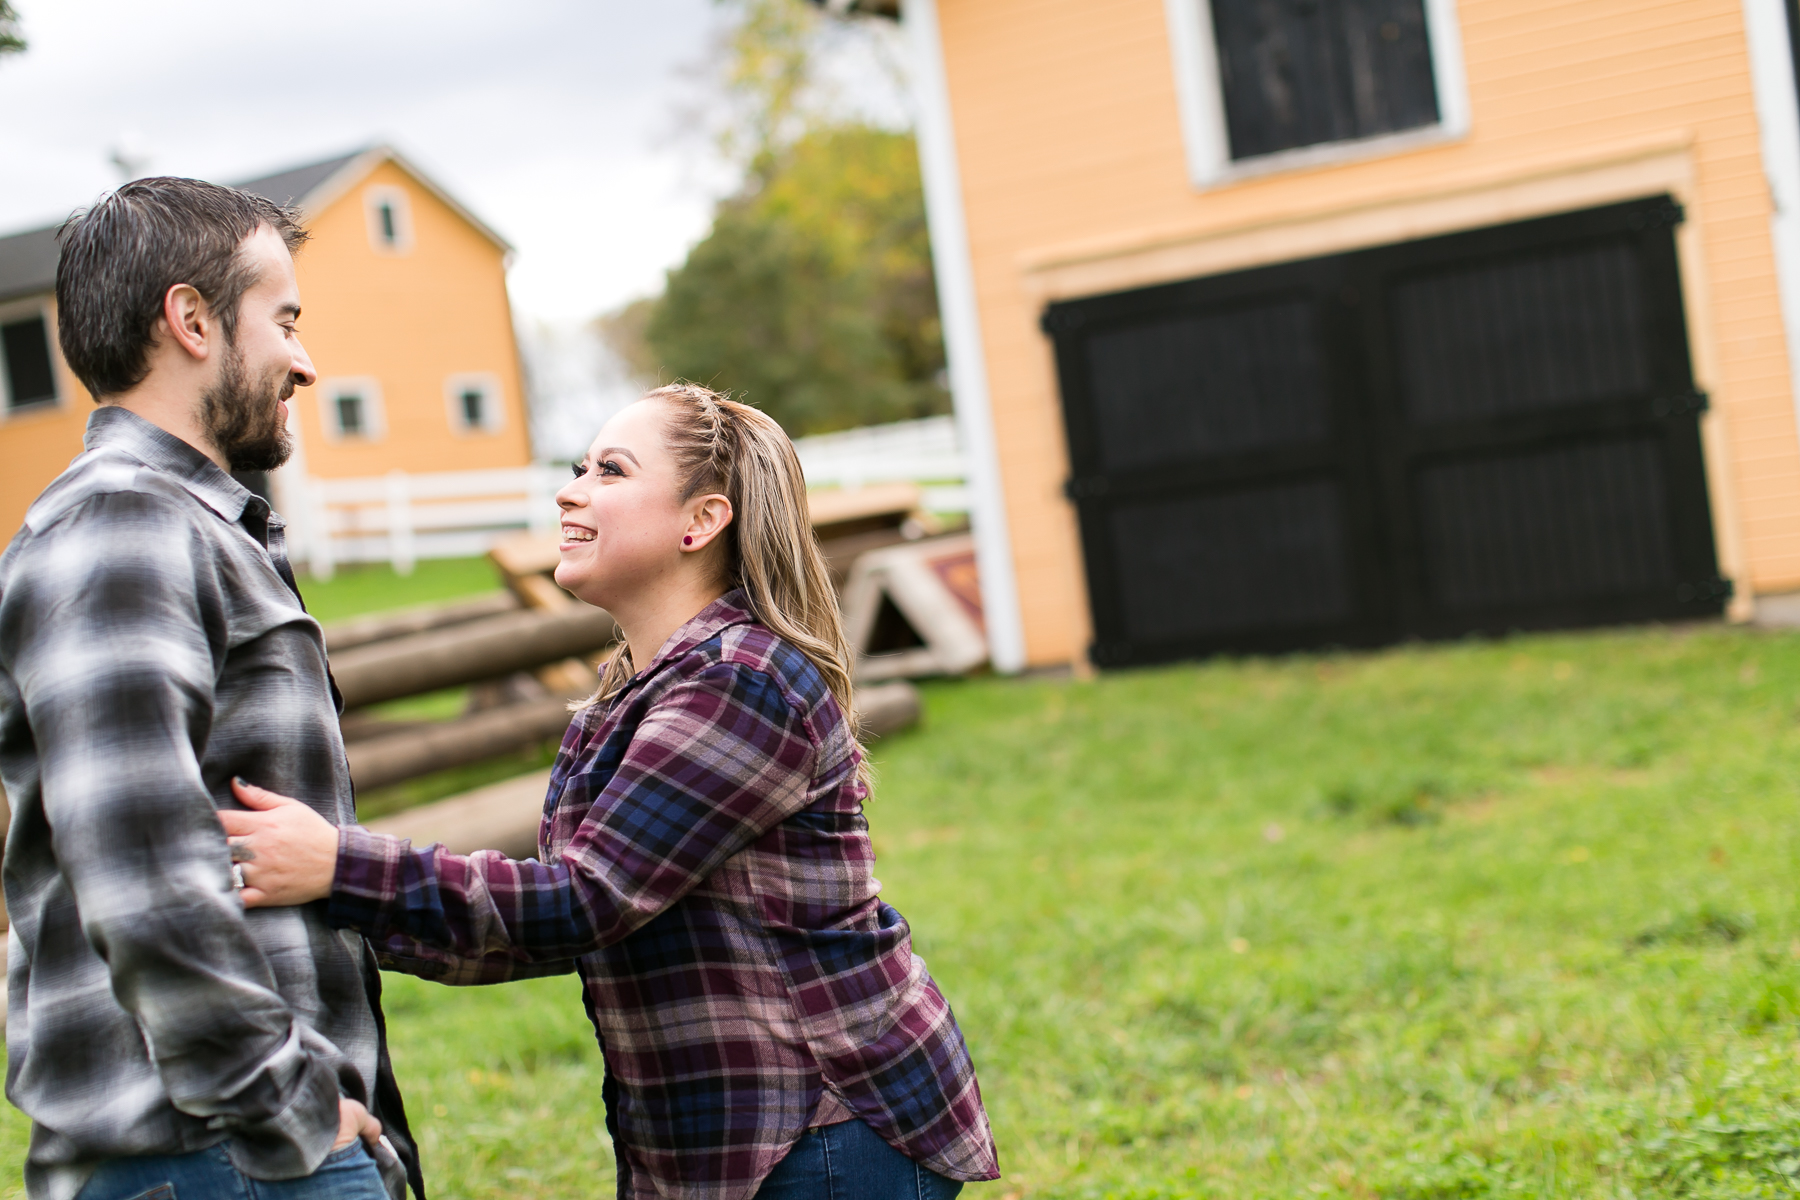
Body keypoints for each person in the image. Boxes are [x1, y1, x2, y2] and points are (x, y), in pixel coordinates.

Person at [221, 384, 1001, 1200]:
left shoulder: (743, 683)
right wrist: (331, 913)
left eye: (611, 471)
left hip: (825, 1133)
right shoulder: (639, 689)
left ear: (699, 522)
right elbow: (555, 928)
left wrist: (340, 869)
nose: (570, 490)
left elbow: (586, 900)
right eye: (578, 466)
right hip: (726, 1141)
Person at [0, 179, 421, 1200]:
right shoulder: (122, 531)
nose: (305, 361)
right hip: (216, 1154)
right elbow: (138, 865)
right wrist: (291, 1108)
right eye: (283, 320)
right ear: (191, 320)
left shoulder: (186, 528)